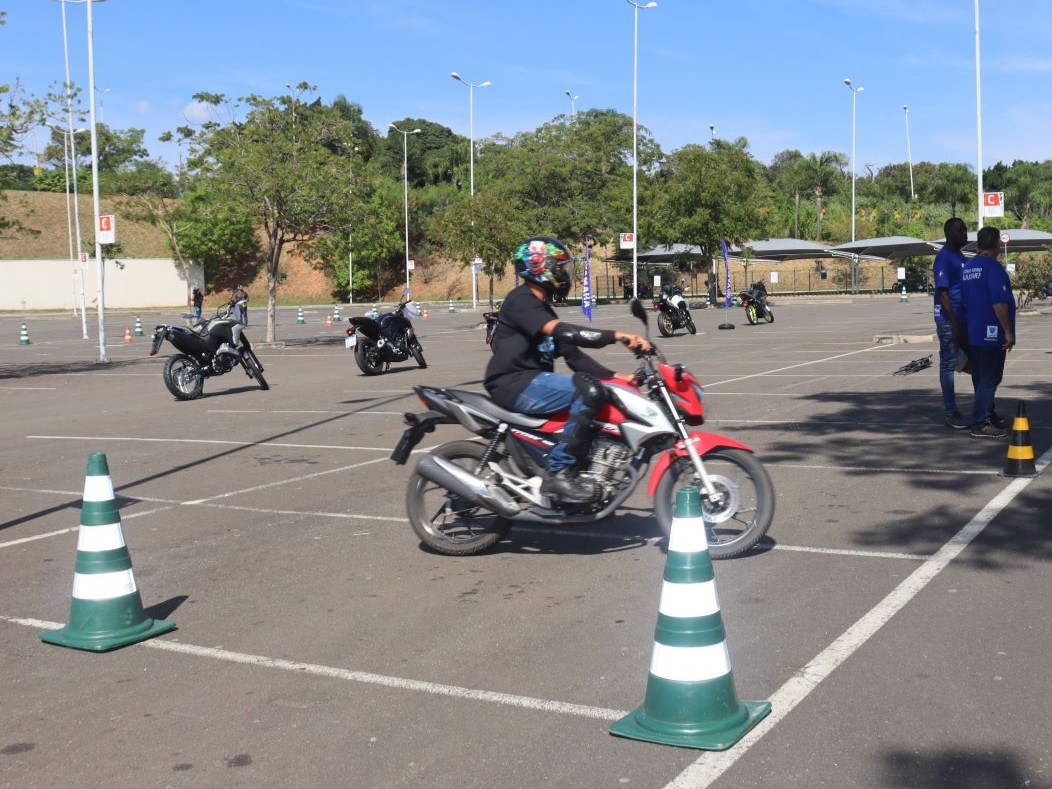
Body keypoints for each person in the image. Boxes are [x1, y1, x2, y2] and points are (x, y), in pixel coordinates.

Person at [484, 236, 651, 503]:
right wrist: (619, 336)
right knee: (589, 391)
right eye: (559, 267)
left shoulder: (540, 308)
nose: (564, 273)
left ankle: (583, 468)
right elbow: (566, 333)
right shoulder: (521, 301)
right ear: (539, 266)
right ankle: (560, 472)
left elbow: (573, 356)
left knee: (599, 389)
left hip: (532, 381)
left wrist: (620, 379)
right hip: (513, 382)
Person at [958, 226, 1015, 438]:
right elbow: (999, 303)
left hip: (973, 331)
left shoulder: (968, 267)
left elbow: (963, 300)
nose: (1001, 244)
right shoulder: (993, 268)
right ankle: (981, 423)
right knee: (989, 378)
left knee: (981, 377)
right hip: (991, 333)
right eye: (1000, 241)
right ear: (996, 244)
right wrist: (1008, 332)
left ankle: (988, 415)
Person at [932, 217, 969, 429]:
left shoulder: (959, 255)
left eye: (965, 230)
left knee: (973, 362)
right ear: (949, 234)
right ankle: (951, 413)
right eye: (961, 231)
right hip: (948, 321)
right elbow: (943, 294)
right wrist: (955, 324)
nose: (965, 234)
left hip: (962, 319)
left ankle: (985, 410)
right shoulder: (944, 257)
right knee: (948, 365)